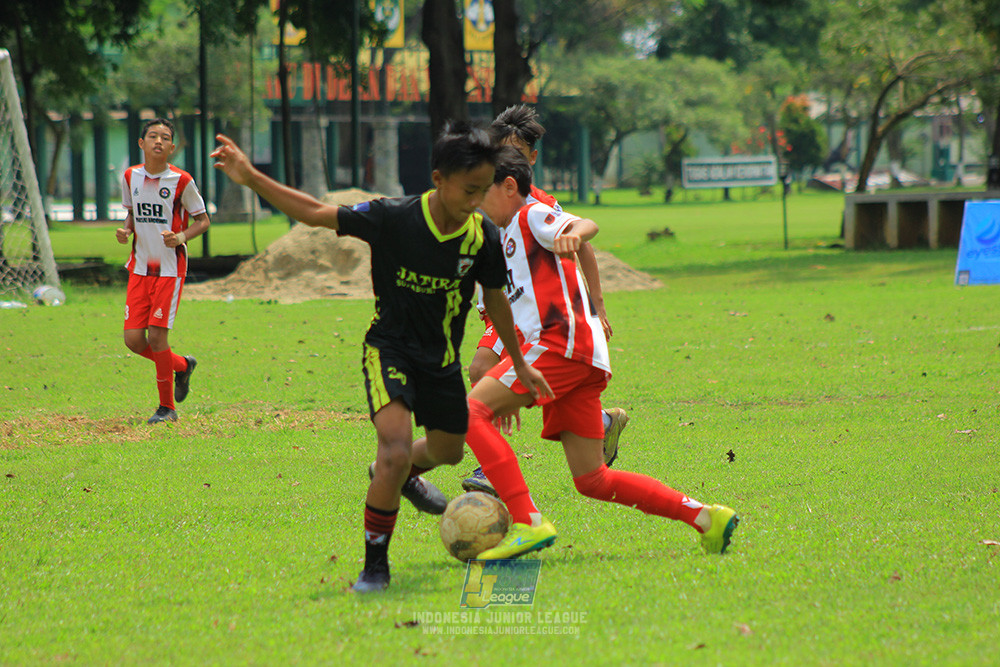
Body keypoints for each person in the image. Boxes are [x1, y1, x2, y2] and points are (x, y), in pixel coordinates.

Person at [210, 124, 551, 593]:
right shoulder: (394, 217)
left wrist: (519, 361)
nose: (476, 200)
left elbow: (496, 300)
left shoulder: (482, 238)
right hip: (388, 350)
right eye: (468, 189)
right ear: (438, 179)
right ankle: (375, 567)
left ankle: (395, 472)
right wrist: (251, 177)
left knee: (449, 452)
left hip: (442, 362)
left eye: (483, 189)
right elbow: (314, 212)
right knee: (393, 449)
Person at [465, 147, 739, 559]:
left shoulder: (529, 215)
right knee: (591, 479)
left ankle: (527, 520)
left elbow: (582, 222)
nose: (475, 202)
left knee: (470, 411)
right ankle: (706, 517)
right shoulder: (503, 237)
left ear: (508, 187)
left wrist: (577, 233)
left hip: (561, 345)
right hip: (577, 355)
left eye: (480, 191)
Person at [462, 104, 627, 496]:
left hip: (533, 313)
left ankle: (492, 470)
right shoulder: (484, 198)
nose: (508, 163)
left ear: (531, 159)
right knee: (511, 383)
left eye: (517, 156)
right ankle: (600, 422)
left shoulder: (536, 204)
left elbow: (582, 244)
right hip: (503, 307)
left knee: (482, 369)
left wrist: (598, 306)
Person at [116, 118, 207, 425]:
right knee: (133, 341)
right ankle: (181, 365)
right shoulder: (130, 176)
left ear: (171, 147)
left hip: (169, 270)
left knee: (157, 337)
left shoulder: (182, 181)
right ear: (141, 143)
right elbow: (131, 212)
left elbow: (203, 220)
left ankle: (166, 408)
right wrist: (126, 230)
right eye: (152, 136)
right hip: (140, 269)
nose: (158, 141)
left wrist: (181, 237)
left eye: (164, 137)